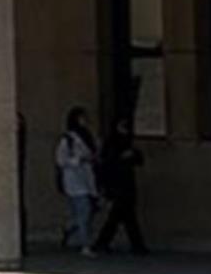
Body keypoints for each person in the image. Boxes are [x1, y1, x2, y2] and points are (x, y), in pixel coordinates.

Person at [93, 108, 149, 256]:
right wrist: (121, 157)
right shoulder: (112, 142)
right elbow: (107, 162)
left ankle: (106, 243)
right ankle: (133, 244)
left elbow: (139, 159)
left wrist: (131, 155)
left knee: (123, 215)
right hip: (118, 183)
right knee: (122, 215)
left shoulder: (127, 142)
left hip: (127, 182)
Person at [54, 108, 101, 252]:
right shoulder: (67, 139)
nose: (84, 121)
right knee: (84, 211)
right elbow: (60, 159)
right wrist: (78, 160)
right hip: (74, 179)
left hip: (87, 177)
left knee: (87, 211)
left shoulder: (88, 136)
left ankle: (69, 228)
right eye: (81, 118)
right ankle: (85, 244)